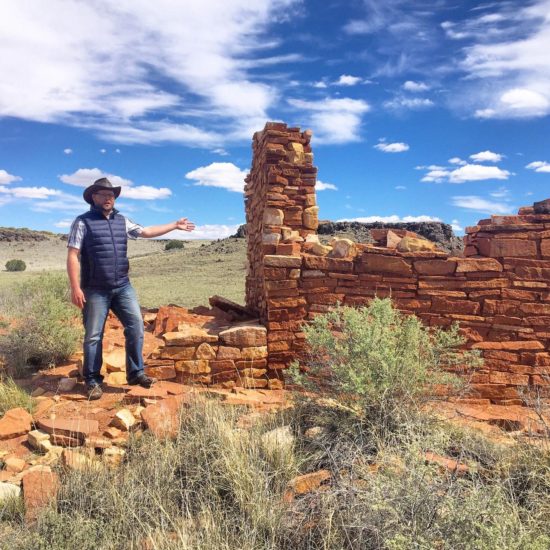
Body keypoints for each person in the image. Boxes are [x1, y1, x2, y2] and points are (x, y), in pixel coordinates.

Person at [67, 177, 195, 400]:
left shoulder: (122, 220)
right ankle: (93, 380)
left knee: (135, 326)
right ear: (93, 197)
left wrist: (174, 225)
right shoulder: (82, 222)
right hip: (95, 289)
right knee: (94, 336)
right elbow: (72, 255)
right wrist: (75, 287)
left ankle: (136, 374)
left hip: (122, 286)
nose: (109, 198)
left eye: (112, 195)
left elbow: (146, 232)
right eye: (104, 194)